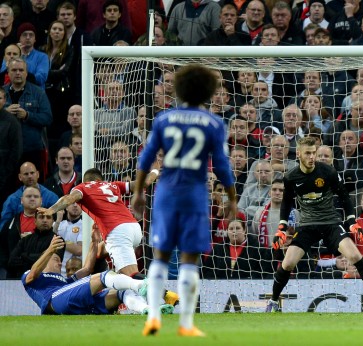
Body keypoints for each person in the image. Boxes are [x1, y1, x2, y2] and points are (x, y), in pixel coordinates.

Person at [131, 64, 237, 337]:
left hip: (166, 192)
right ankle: (186, 324)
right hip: (194, 194)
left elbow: (145, 159)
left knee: (160, 256)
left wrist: (139, 192)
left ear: (178, 89)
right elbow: (222, 167)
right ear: (207, 91)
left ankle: (153, 316)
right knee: (190, 259)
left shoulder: (164, 120)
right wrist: (231, 199)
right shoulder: (214, 123)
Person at [266, 137, 363, 313]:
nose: (312, 157)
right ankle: (274, 302)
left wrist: (352, 222)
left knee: (355, 257)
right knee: (288, 263)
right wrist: (282, 228)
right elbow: (286, 204)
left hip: (331, 223)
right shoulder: (291, 177)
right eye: (308, 153)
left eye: (314, 153)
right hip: (307, 225)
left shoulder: (327, 171)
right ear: (299, 154)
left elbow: (344, 197)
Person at [22, 230, 154, 315]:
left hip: (71, 303)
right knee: (105, 276)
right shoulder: (33, 276)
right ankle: (141, 285)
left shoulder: (64, 281)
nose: (60, 263)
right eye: (56, 259)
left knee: (119, 294)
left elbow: (87, 269)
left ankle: (145, 309)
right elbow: (33, 274)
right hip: (55, 301)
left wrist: (94, 242)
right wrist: (50, 251)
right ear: (44, 260)